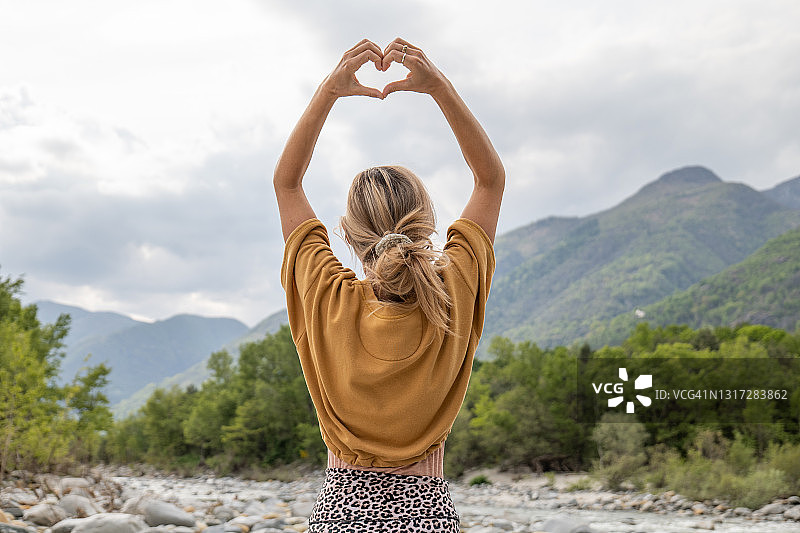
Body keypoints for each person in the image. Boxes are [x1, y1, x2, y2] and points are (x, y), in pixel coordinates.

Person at [275, 37, 504, 533]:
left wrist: (328, 92)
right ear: (425, 224)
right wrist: (438, 87)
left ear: (350, 233)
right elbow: (490, 181)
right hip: (428, 517)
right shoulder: (453, 291)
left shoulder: (325, 296)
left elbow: (287, 184)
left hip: (339, 516)